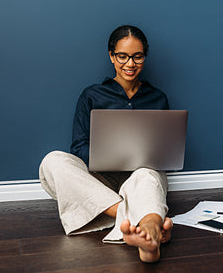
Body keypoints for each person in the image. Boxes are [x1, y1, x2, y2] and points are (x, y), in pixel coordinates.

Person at [39, 25, 172, 263]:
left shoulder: (158, 98)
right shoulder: (92, 95)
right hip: (100, 180)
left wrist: (144, 158)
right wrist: (115, 156)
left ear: (145, 57)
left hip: (141, 176)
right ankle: (144, 220)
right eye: (122, 56)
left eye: (137, 56)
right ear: (111, 56)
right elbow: (78, 147)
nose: (130, 64)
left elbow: (165, 151)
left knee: (148, 175)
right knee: (52, 161)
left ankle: (149, 237)